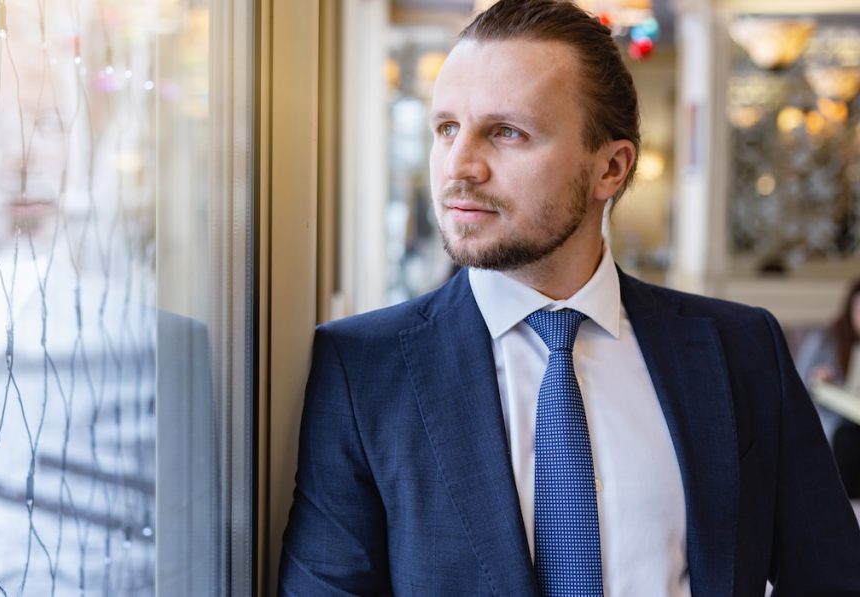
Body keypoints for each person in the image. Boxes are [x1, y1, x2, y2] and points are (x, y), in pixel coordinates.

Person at [278, 0, 860, 594]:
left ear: (611, 168)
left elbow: (830, 577)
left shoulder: (741, 349)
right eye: (447, 128)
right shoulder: (362, 370)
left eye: (506, 132)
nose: (458, 165)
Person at [797, 278, 860, 498]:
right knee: (849, 439)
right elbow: (797, 385)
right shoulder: (824, 340)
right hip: (834, 419)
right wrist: (819, 380)